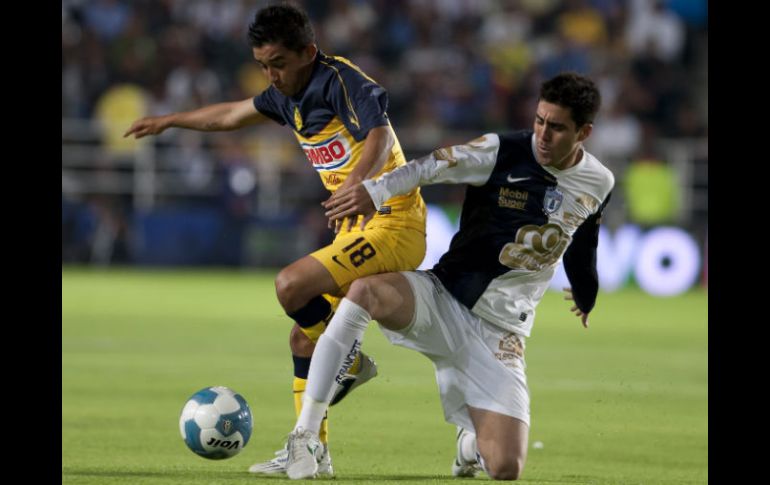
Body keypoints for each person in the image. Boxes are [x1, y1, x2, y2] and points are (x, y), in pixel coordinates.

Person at [124, 4, 427, 476]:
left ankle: (349, 364)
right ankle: (312, 450)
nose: (271, 75)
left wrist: (358, 185)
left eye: (278, 63)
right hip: (358, 229)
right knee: (303, 339)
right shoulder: (285, 94)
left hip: (395, 221)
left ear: (308, 51)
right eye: (263, 65)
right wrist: (171, 120)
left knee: (290, 286)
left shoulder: (339, 79)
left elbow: (381, 136)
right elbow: (230, 115)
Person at [282, 72, 615, 480]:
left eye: (557, 127)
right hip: (442, 299)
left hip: (501, 333)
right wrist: (376, 190)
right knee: (364, 291)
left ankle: (469, 444)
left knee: (506, 468)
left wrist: (586, 292)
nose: (543, 135)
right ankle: (305, 436)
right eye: (539, 120)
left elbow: (583, 240)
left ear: (584, 132)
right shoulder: (500, 151)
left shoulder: (599, 181)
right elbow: (429, 167)